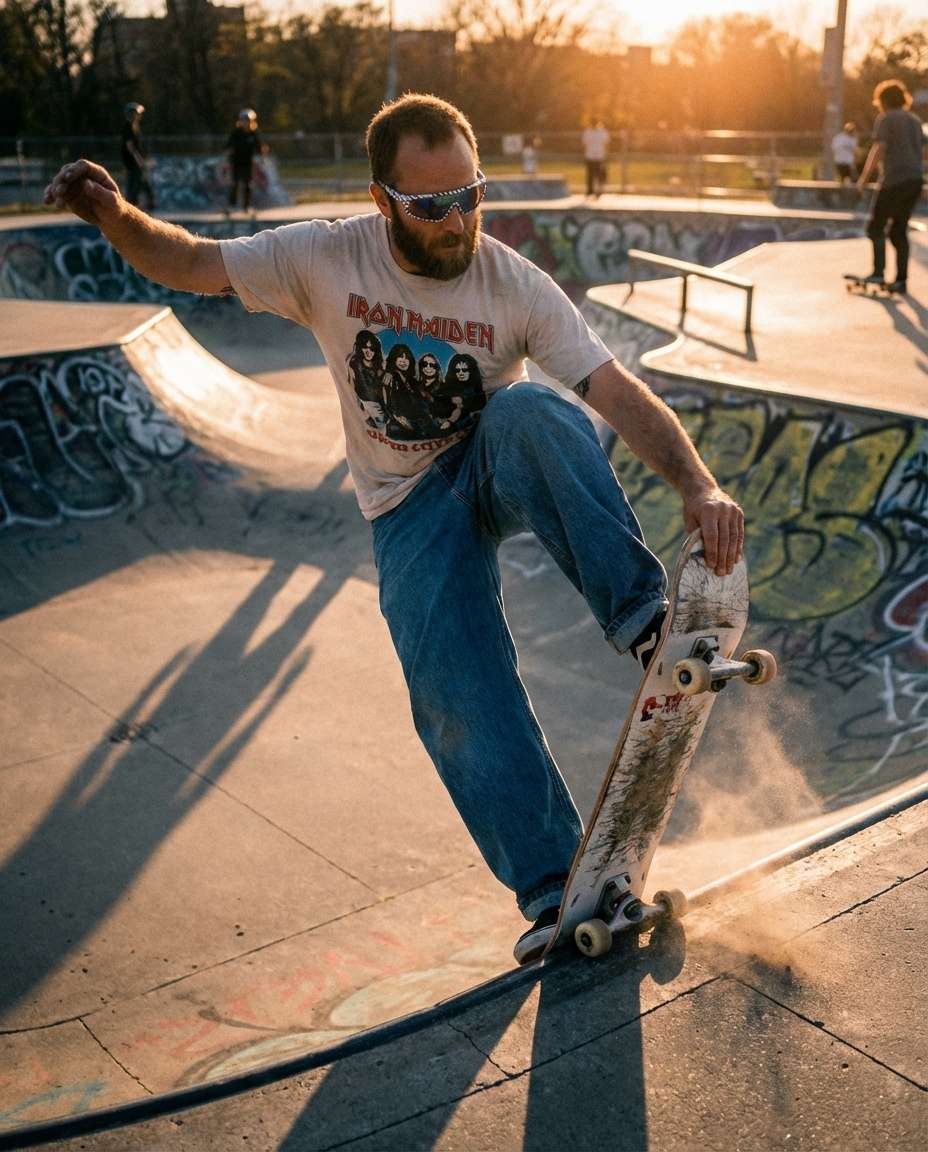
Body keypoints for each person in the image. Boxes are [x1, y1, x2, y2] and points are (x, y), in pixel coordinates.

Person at [44, 94, 744, 964]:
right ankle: (553, 883)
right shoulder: (323, 256)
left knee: (533, 411)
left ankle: (644, 622)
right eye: (432, 205)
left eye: (470, 196)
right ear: (383, 201)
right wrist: (116, 217)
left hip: (490, 461)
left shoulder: (514, 283)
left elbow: (613, 390)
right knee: (452, 690)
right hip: (406, 505)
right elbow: (189, 262)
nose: (457, 223)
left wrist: (699, 485)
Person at [856, 81, 925, 294]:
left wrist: (864, 178)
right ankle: (901, 280)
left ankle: (878, 272)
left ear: (883, 100)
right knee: (898, 230)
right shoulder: (914, 120)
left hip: (894, 180)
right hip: (915, 180)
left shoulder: (886, 119)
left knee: (875, 227)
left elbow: (880, 148)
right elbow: (924, 152)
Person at [226, 108, 267, 212]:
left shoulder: (254, 134)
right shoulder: (236, 133)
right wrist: (228, 154)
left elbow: (260, 147)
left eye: (247, 121)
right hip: (236, 162)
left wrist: (262, 157)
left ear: (251, 122)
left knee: (247, 184)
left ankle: (246, 207)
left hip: (248, 163)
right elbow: (228, 146)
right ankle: (231, 206)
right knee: (235, 184)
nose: (245, 123)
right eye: (243, 121)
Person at [120, 102, 155, 211]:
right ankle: (130, 208)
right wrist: (139, 160)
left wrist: (145, 158)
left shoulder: (135, 127)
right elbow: (130, 146)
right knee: (134, 185)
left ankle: (147, 204)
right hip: (133, 163)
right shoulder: (128, 127)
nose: (138, 116)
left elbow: (138, 146)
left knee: (141, 183)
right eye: (135, 114)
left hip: (135, 162)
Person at [582, 120, 610, 198]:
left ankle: (599, 190)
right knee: (590, 174)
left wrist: (606, 155)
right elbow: (584, 144)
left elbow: (607, 144)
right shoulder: (587, 132)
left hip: (600, 156)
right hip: (590, 155)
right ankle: (590, 190)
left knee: (599, 174)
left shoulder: (603, 132)